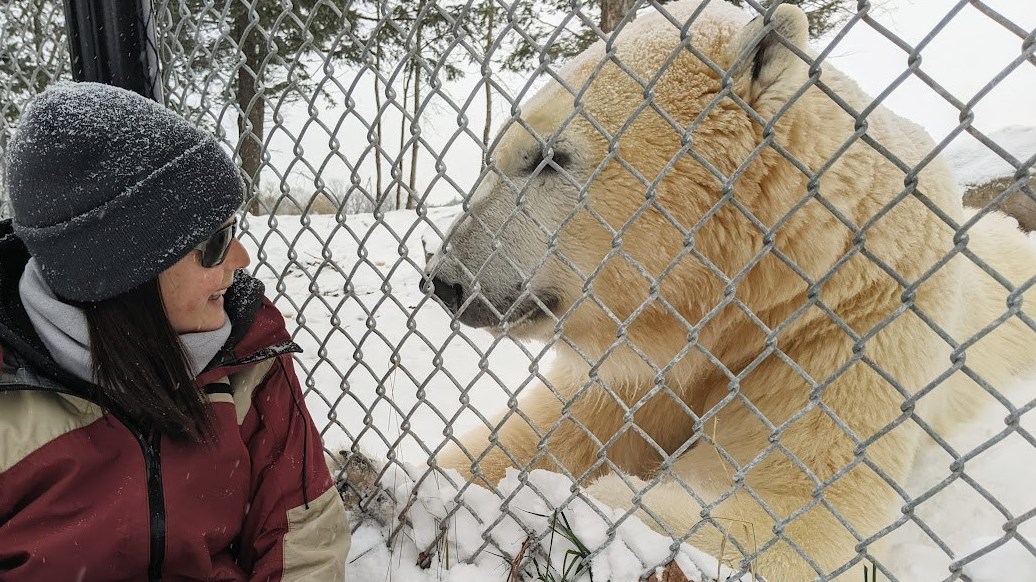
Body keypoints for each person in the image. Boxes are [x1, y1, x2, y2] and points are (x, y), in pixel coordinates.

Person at [0, 82, 350, 581]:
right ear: (124, 272)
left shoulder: (248, 356)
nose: (241, 260)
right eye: (214, 243)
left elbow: (302, 538)